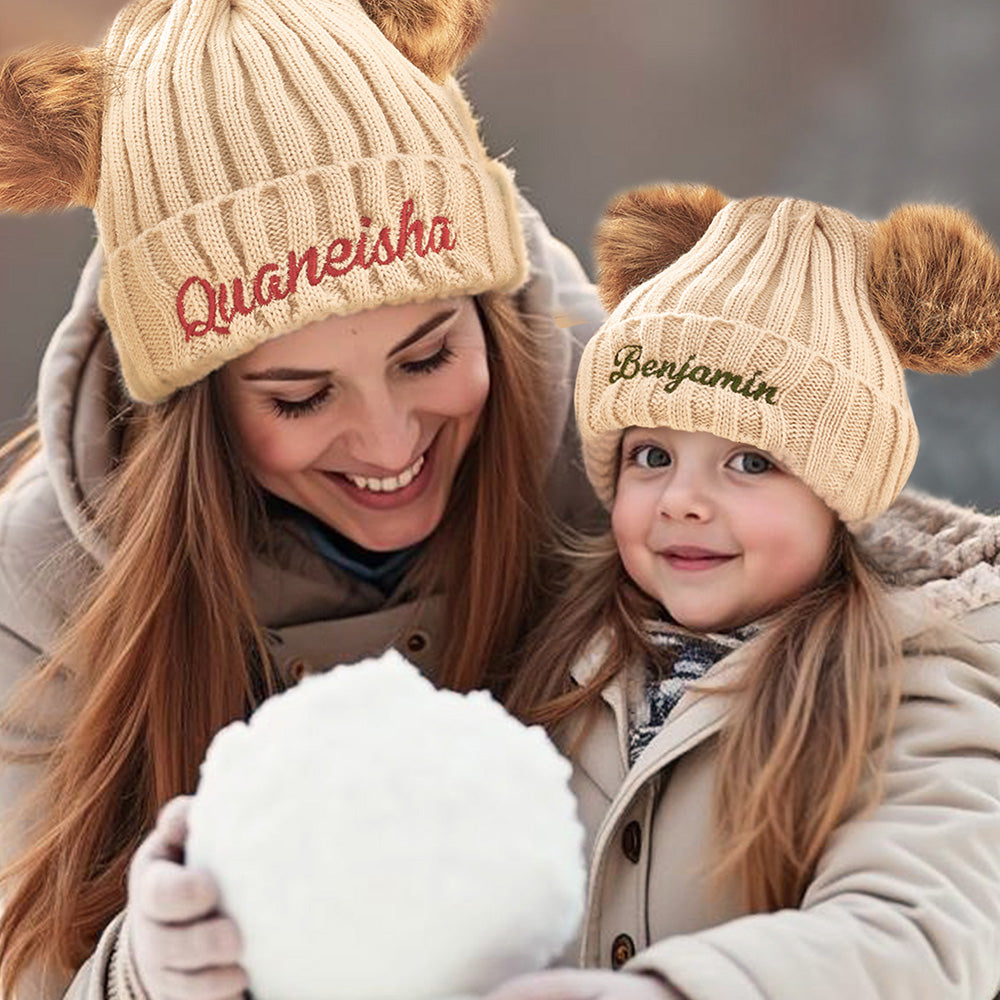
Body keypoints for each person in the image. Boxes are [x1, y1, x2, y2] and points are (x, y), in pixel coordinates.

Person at [0, 1, 606, 997]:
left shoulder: (636, 453)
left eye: (428, 356)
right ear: (193, 409)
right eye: (301, 395)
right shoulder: (42, 590)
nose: (388, 441)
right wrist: (148, 974)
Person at [493, 183, 1000, 999]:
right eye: (652, 455)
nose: (682, 500)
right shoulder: (571, 654)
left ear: (839, 501)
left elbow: (924, 930)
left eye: (751, 462)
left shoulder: (920, 681)